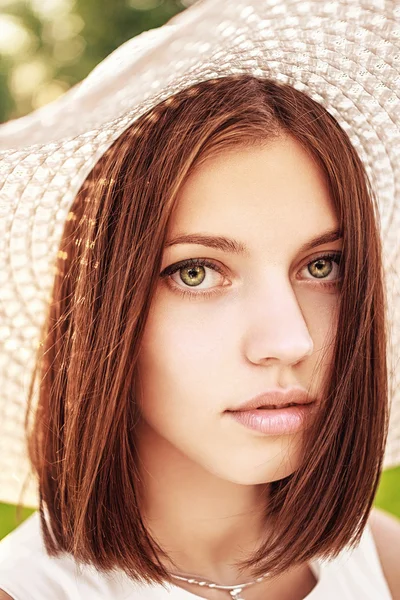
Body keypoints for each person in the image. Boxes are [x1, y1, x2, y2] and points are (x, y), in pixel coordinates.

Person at [0, 2, 400, 600]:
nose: (290, 340)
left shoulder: (385, 562)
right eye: (196, 272)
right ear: (103, 312)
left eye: (322, 266)